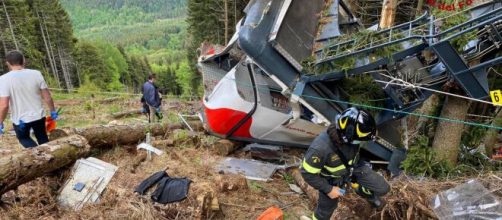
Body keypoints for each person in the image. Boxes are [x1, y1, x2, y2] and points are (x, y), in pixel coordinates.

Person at [300, 107, 390, 220]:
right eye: (359, 140)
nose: (360, 143)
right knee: (326, 211)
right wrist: (329, 189)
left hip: (354, 168)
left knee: (383, 188)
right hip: (332, 180)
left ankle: (361, 189)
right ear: (347, 136)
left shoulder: (351, 133)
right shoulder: (320, 149)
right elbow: (307, 173)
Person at [0, 50, 58, 148]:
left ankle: (38, 156)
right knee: (42, 138)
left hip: (20, 120)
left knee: (24, 139)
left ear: (8, 63)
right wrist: (53, 111)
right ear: (24, 60)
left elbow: (4, 105)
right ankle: (48, 156)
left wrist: (0, 121)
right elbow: (47, 97)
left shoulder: (3, 79)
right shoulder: (36, 74)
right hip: (38, 116)